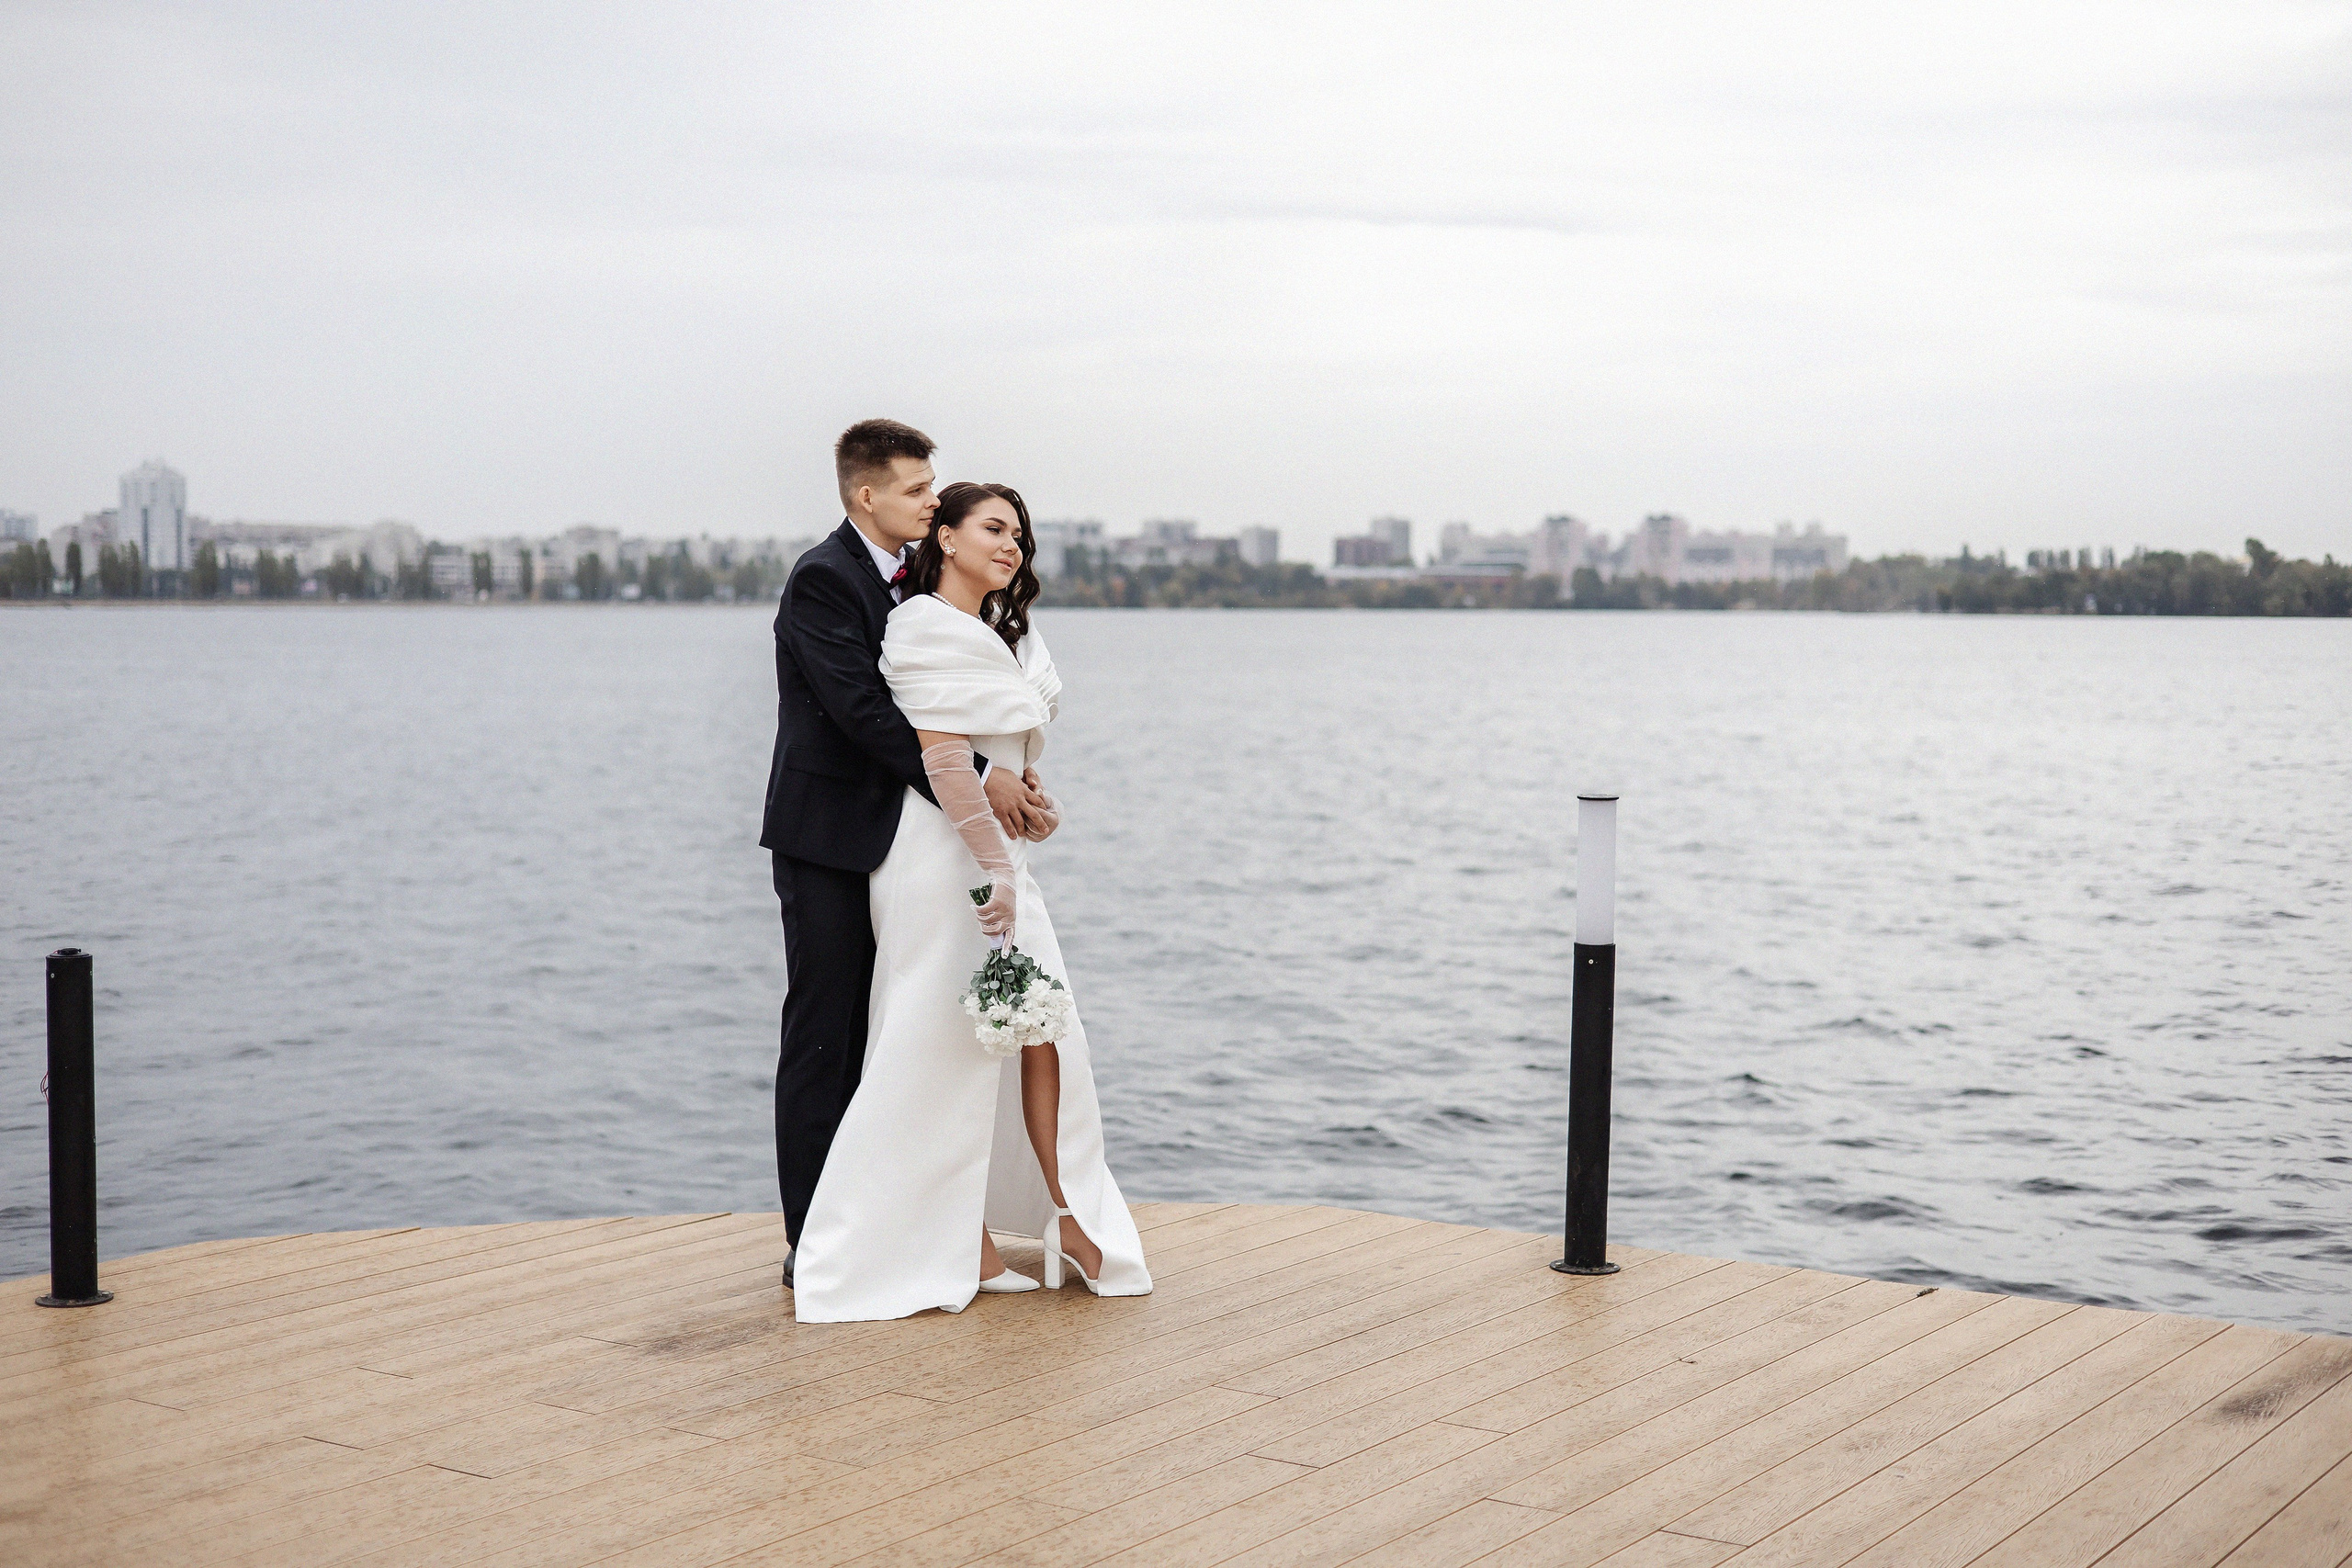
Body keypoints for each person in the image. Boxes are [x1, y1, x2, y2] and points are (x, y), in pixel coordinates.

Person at [790, 480, 1152, 1321]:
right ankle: (949, 1241)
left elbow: (1009, 755)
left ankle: (1067, 1212)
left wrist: (1034, 801)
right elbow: (947, 761)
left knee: (1043, 1030)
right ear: (945, 539)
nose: (1011, 545)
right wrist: (995, 867)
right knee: (939, 1040)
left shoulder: (1006, 630)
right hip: (940, 855)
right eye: (993, 528)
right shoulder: (917, 627)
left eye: (1020, 534)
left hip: (999, 854)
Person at [761, 421, 1053, 1285]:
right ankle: (812, 1238)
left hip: (908, 845)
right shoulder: (823, 579)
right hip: (829, 842)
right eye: (919, 488)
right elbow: (863, 714)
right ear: (868, 496)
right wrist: (979, 775)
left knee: (896, 1026)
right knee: (826, 1033)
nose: (934, 499)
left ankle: (893, 1217)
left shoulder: (913, 582)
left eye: (934, 486)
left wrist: (1009, 777)